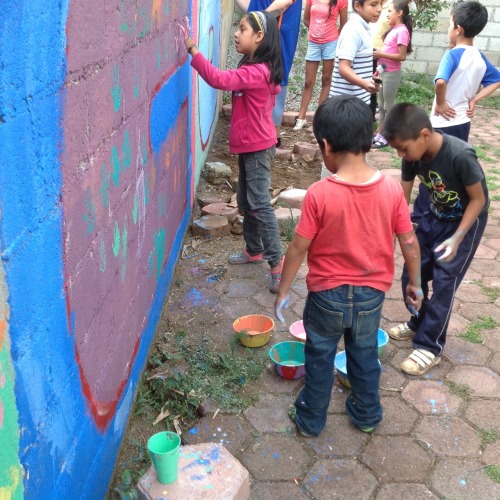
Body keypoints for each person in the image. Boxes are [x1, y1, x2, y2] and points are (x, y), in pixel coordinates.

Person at [274, 95, 422, 437]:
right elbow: (410, 243)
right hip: (372, 296)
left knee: (320, 356)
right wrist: (414, 283)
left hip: (326, 297)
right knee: (365, 356)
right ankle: (367, 414)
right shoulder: (391, 189)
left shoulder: (319, 193)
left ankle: (311, 419)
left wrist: (283, 290)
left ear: (326, 146)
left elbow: (298, 248)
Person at [383, 103, 489, 376]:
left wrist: (456, 239)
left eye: (403, 148)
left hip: (465, 223)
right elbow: (402, 198)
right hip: (433, 214)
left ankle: (430, 346)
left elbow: (479, 200)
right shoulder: (411, 155)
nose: (400, 155)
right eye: (396, 149)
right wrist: (396, 233)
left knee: (444, 281)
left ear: (425, 135)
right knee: (413, 272)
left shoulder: (460, 155)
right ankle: (418, 321)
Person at [184, 11, 284, 293]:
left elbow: (218, 79)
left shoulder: (255, 72)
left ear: (260, 37)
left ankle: (278, 264)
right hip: (252, 145)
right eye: (237, 28)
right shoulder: (257, 67)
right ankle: (254, 251)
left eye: (242, 29)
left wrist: (193, 50)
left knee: (260, 203)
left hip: (258, 148)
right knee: (247, 200)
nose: (237, 34)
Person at [412, 0, 500, 222]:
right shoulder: (479, 56)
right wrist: (474, 99)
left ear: (458, 28)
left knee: (430, 169)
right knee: (452, 167)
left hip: (442, 124)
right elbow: (496, 80)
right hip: (462, 123)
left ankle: (423, 211)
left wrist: (441, 103)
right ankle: (452, 207)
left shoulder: (452, 55)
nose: (448, 29)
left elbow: (441, 82)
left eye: (450, 24)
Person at [320, 0, 383, 179]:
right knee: (338, 153)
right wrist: (365, 84)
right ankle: (327, 195)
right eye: (373, 4)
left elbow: (355, 66)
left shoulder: (363, 27)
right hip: (344, 107)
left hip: (354, 105)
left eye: (380, 4)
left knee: (352, 154)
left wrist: (368, 81)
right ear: (357, 6)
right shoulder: (354, 29)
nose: (378, 9)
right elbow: (344, 67)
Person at [235, 0, 303, 148]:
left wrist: (256, 22)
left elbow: (283, 3)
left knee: (274, 83)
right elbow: (253, 8)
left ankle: (273, 139)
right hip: (260, 40)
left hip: (276, 40)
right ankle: (259, 137)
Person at [292, 0, 348, 131]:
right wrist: (315, 32)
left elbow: (344, 24)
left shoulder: (342, 1)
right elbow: (306, 19)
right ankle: (301, 118)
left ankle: (319, 119)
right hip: (313, 43)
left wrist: (331, 36)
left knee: (326, 80)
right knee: (308, 82)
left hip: (331, 44)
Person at [372, 0, 412, 148]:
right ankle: (380, 133)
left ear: (399, 13)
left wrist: (381, 54)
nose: (387, 14)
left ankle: (387, 137)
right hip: (383, 71)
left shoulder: (402, 31)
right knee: (381, 106)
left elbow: (401, 56)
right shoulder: (393, 30)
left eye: (389, 11)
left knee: (388, 106)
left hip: (391, 74)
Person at [369, 0, 389, 121]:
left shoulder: (392, 6)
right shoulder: (371, 3)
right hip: (368, 53)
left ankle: (373, 118)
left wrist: (383, 52)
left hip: (381, 56)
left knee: (375, 86)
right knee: (368, 85)